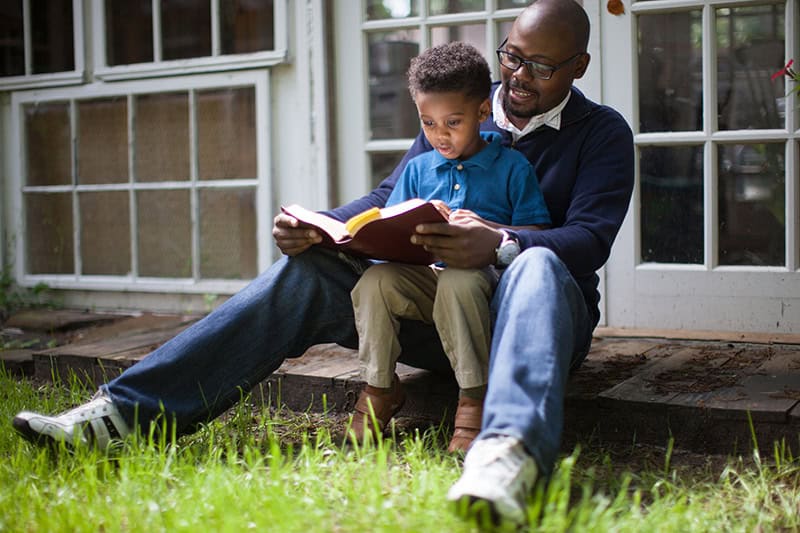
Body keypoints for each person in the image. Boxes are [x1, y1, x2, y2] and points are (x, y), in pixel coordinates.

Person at [12, 0, 634, 527]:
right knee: (309, 271)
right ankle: (122, 415)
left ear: (578, 67)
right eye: (511, 55)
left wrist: (499, 242)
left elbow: (589, 239)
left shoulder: (602, 133)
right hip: (435, 312)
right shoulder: (463, 106)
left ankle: (506, 457)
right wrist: (328, 227)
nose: (518, 76)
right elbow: (393, 198)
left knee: (538, 265)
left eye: (541, 67)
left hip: (532, 322)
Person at [349, 42, 551, 453]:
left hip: (485, 286)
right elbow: (390, 221)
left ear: (481, 113)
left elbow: (535, 231)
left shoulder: (513, 167)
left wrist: (487, 228)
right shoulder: (419, 168)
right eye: (428, 123)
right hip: (428, 281)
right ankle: (379, 387)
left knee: (459, 280)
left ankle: (474, 397)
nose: (439, 135)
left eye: (452, 122)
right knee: (375, 281)